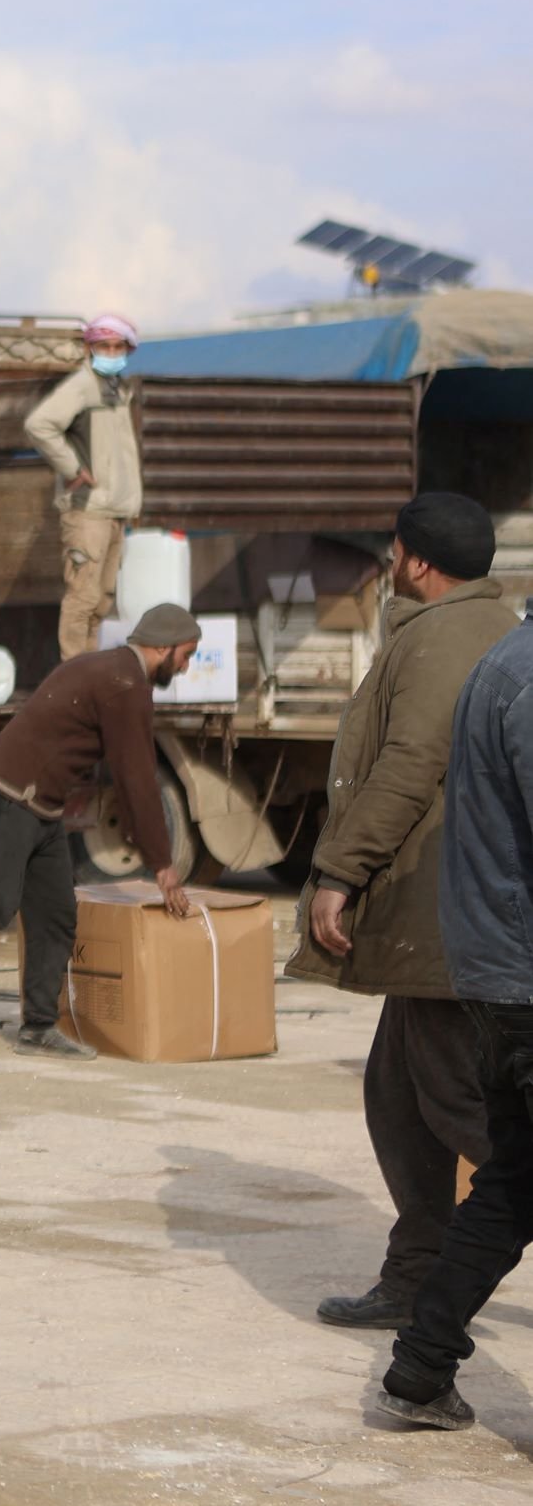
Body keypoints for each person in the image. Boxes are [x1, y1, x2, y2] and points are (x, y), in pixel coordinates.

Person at [293, 495, 513, 1331]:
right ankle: (416, 1271)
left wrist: (337, 870)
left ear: (415, 561)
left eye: (394, 552)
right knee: (397, 1093)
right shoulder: (492, 625)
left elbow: (412, 762)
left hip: (443, 909)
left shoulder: (436, 636)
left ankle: (425, 1275)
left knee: (465, 1106)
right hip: (457, 909)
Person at [376, 601, 533, 1431]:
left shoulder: (508, 661)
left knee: (513, 1182)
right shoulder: (529, 675)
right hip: (525, 975)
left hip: (502, 973)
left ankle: (421, 1363)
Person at [0, 603, 202, 1059]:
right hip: (15, 793)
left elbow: (129, 775)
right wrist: (163, 864)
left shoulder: (112, 669)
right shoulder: (125, 683)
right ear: (163, 647)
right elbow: (137, 778)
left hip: (41, 803)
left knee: (56, 914)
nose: (185, 666)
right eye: (186, 655)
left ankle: (38, 1028)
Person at [27, 313, 143, 660]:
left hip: (113, 512)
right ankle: (72, 672)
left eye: (117, 346)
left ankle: (87, 668)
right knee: (83, 597)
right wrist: (72, 467)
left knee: (102, 599)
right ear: (90, 349)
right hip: (88, 509)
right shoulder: (82, 385)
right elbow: (39, 424)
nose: (111, 352)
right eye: (103, 346)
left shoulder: (117, 389)